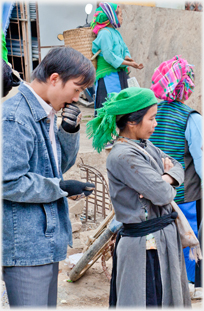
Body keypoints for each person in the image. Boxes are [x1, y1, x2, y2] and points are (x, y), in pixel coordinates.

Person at [2, 46, 96, 308]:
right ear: (55, 79)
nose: (77, 97)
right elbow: (7, 182)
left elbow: (56, 169)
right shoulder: (16, 117)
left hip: (44, 242)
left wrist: (69, 131)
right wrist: (61, 187)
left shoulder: (45, 113)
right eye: (76, 89)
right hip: (26, 245)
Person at [86, 87, 191, 307]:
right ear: (132, 122)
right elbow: (163, 195)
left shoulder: (144, 146)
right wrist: (165, 181)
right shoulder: (123, 155)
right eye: (151, 119)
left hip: (158, 240)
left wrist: (164, 178)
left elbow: (178, 167)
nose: (156, 124)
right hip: (145, 248)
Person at [149, 55, 202, 285]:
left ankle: (165, 281)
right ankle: (190, 284)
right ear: (186, 87)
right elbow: (200, 161)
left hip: (156, 193)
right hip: (185, 195)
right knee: (187, 238)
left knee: (163, 237)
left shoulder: (151, 114)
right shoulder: (191, 118)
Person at [91, 2, 143, 116]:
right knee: (109, 108)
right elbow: (109, 56)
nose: (122, 18)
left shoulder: (115, 33)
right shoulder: (104, 33)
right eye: (120, 15)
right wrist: (128, 63)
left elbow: (124, 49)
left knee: (122, 108)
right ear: (111, 16)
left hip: (119, 73)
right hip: (108, 75)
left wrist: (129, 59)